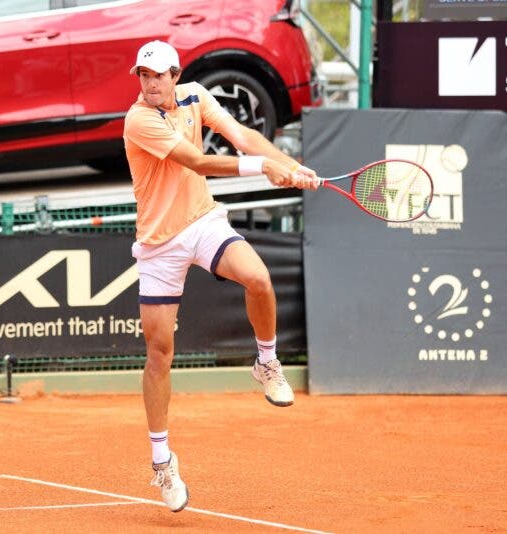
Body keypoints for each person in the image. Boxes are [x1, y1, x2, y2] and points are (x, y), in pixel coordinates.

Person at [122, 40, 319, 513]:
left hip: (203, 221)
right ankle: (161, 461)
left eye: (157, 75)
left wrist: (291, 168)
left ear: (175, 75)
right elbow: (198, 162)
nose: (149, 83)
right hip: (159, 244)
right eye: (143, 76)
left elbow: (243, 136)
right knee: (159, 352)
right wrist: (262, 168)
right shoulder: (138, 119)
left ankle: (266, 362)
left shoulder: (196, 96)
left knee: (258, 278)